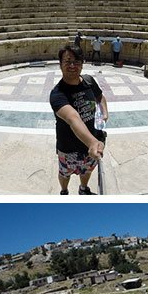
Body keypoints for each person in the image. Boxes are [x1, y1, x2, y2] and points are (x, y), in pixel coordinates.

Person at [49, 45, 108, 195]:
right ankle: (64, 191)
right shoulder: (57, 94)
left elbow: (100, 97)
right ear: (60, 64)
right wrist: (92, 142)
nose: (72, 66)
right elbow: (73, 118)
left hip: (90, 146)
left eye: (76, 61)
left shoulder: (88, 81)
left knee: (87, 170)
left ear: (82, 64)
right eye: (67, 61)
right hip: (68, 148)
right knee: (64, 173)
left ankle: (83, 189)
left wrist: (104, 113)